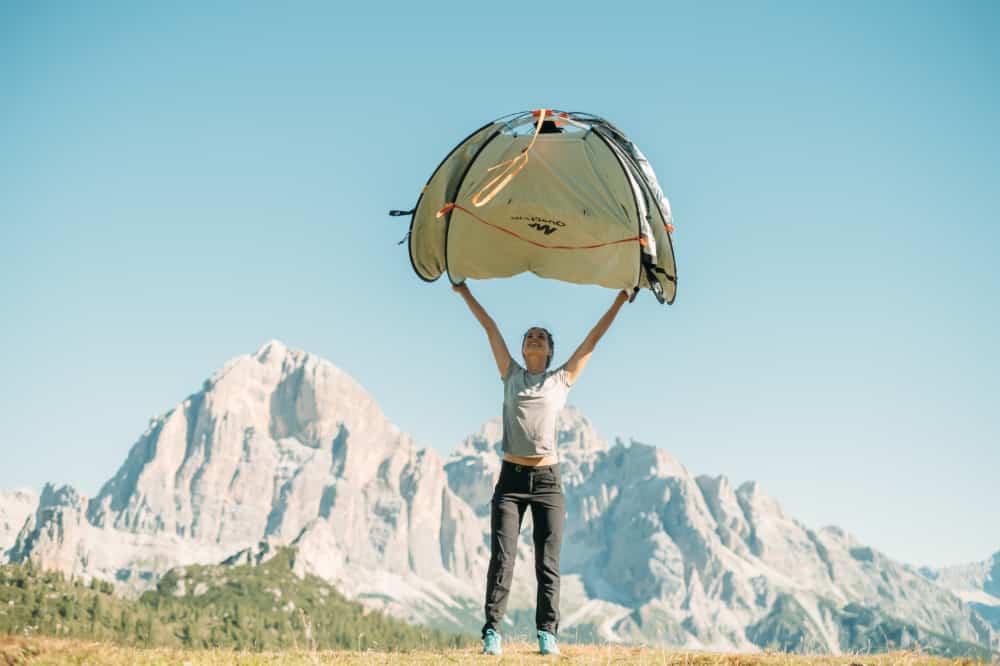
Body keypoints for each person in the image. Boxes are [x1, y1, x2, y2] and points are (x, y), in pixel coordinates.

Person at [453, 282, 630, 656]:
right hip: (511, 481)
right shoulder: (510, 374)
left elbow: (594, 338)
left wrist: (619, 299)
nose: (533, 339)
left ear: (550, 351)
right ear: (521, 349)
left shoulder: (560, 380)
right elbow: (489, 327)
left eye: (540, 337)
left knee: (547, 563)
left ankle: (547, 633)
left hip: (549, 483)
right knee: (502, 557)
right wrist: (463, 291)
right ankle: (492, 633)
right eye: (528, 336)